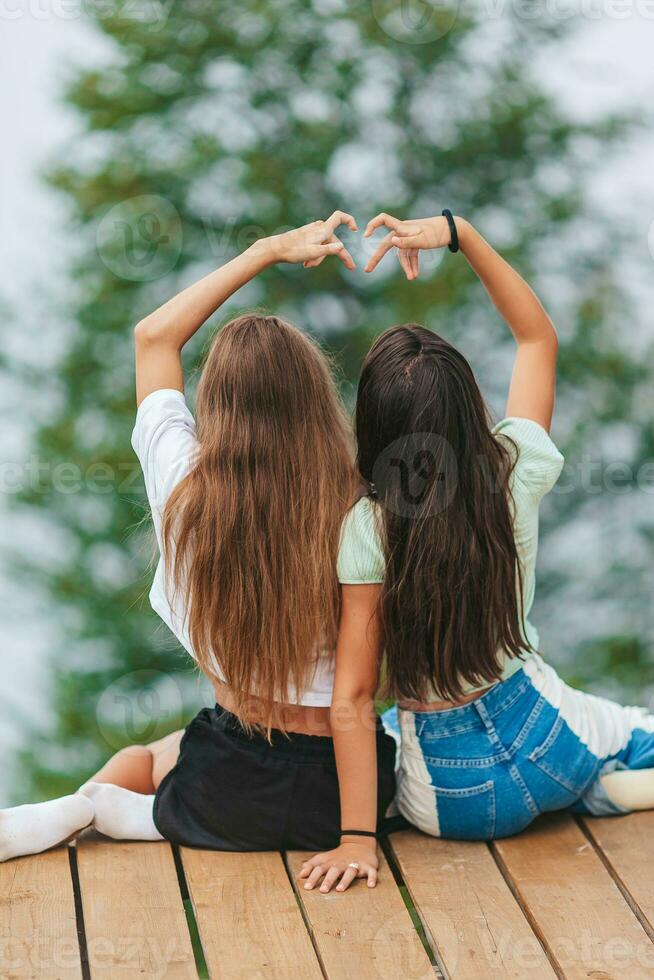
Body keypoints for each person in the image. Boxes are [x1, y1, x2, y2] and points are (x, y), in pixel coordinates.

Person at [0, 213, 398, 890]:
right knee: (183, 755)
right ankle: (114, 811)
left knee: (143, 756)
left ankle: (90, 810)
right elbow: (353, 703)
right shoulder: (361, 511)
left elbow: (154, 335)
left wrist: (265, 251)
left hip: (226, 785)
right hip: (341, 799)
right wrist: (357, 836)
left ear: (217, 403)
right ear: (314, 402)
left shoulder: (183, 483)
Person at [302, 210, 654, 868]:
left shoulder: (367, 526)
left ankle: (598, 794)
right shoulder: (515, 465)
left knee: (362, 742)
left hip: (447, 798)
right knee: (637, 730)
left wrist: (356, 841)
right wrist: (459, 233)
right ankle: (599, 791)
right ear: (468, 406)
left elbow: (350, 697)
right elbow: (536, 339)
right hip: (549, 737)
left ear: (376, 429)